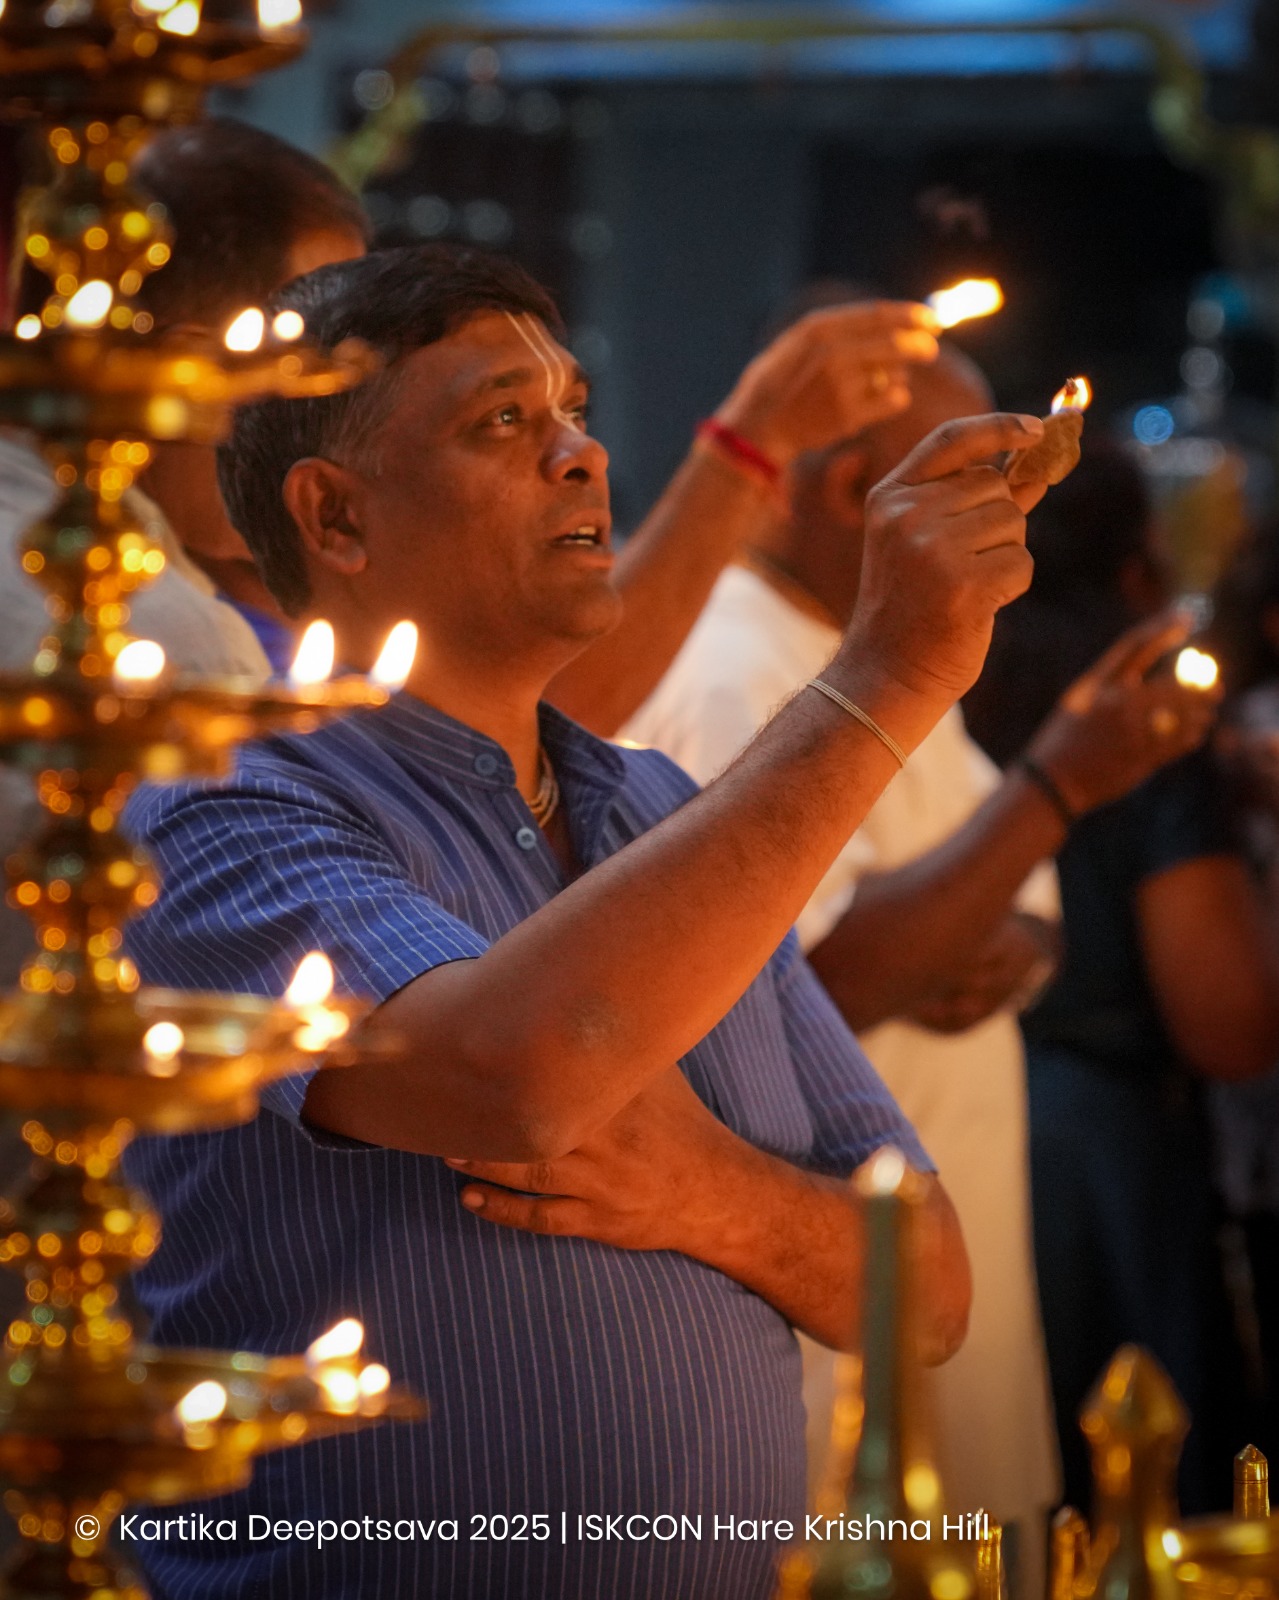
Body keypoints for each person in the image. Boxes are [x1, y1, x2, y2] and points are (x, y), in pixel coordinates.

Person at [118, 241, 1053, 1599]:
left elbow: (928, 1288)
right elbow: (516, 1078)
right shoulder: (223, 800)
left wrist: (708, 1194)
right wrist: (889, 675)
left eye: (573, 409)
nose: (581, 455)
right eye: (503, 421)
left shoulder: (660, 811)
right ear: (334, 516)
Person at [623, 345, 1218, 1596]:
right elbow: (803, 984)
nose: (1013, 514)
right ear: (853, 490)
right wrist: (1062, 782)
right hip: (833, 1316)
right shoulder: (735, 667)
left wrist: (991, 932)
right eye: (979, 478)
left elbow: (1018, 914)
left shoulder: (877, 627)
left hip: (951, 1258)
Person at [966, 440, 1279, 1514]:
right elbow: (1226, 1021)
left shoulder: (934, 678)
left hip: (942, 1121)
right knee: (1133, 1495)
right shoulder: (1140, 712)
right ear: (1136, 557)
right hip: (1104, 1158)